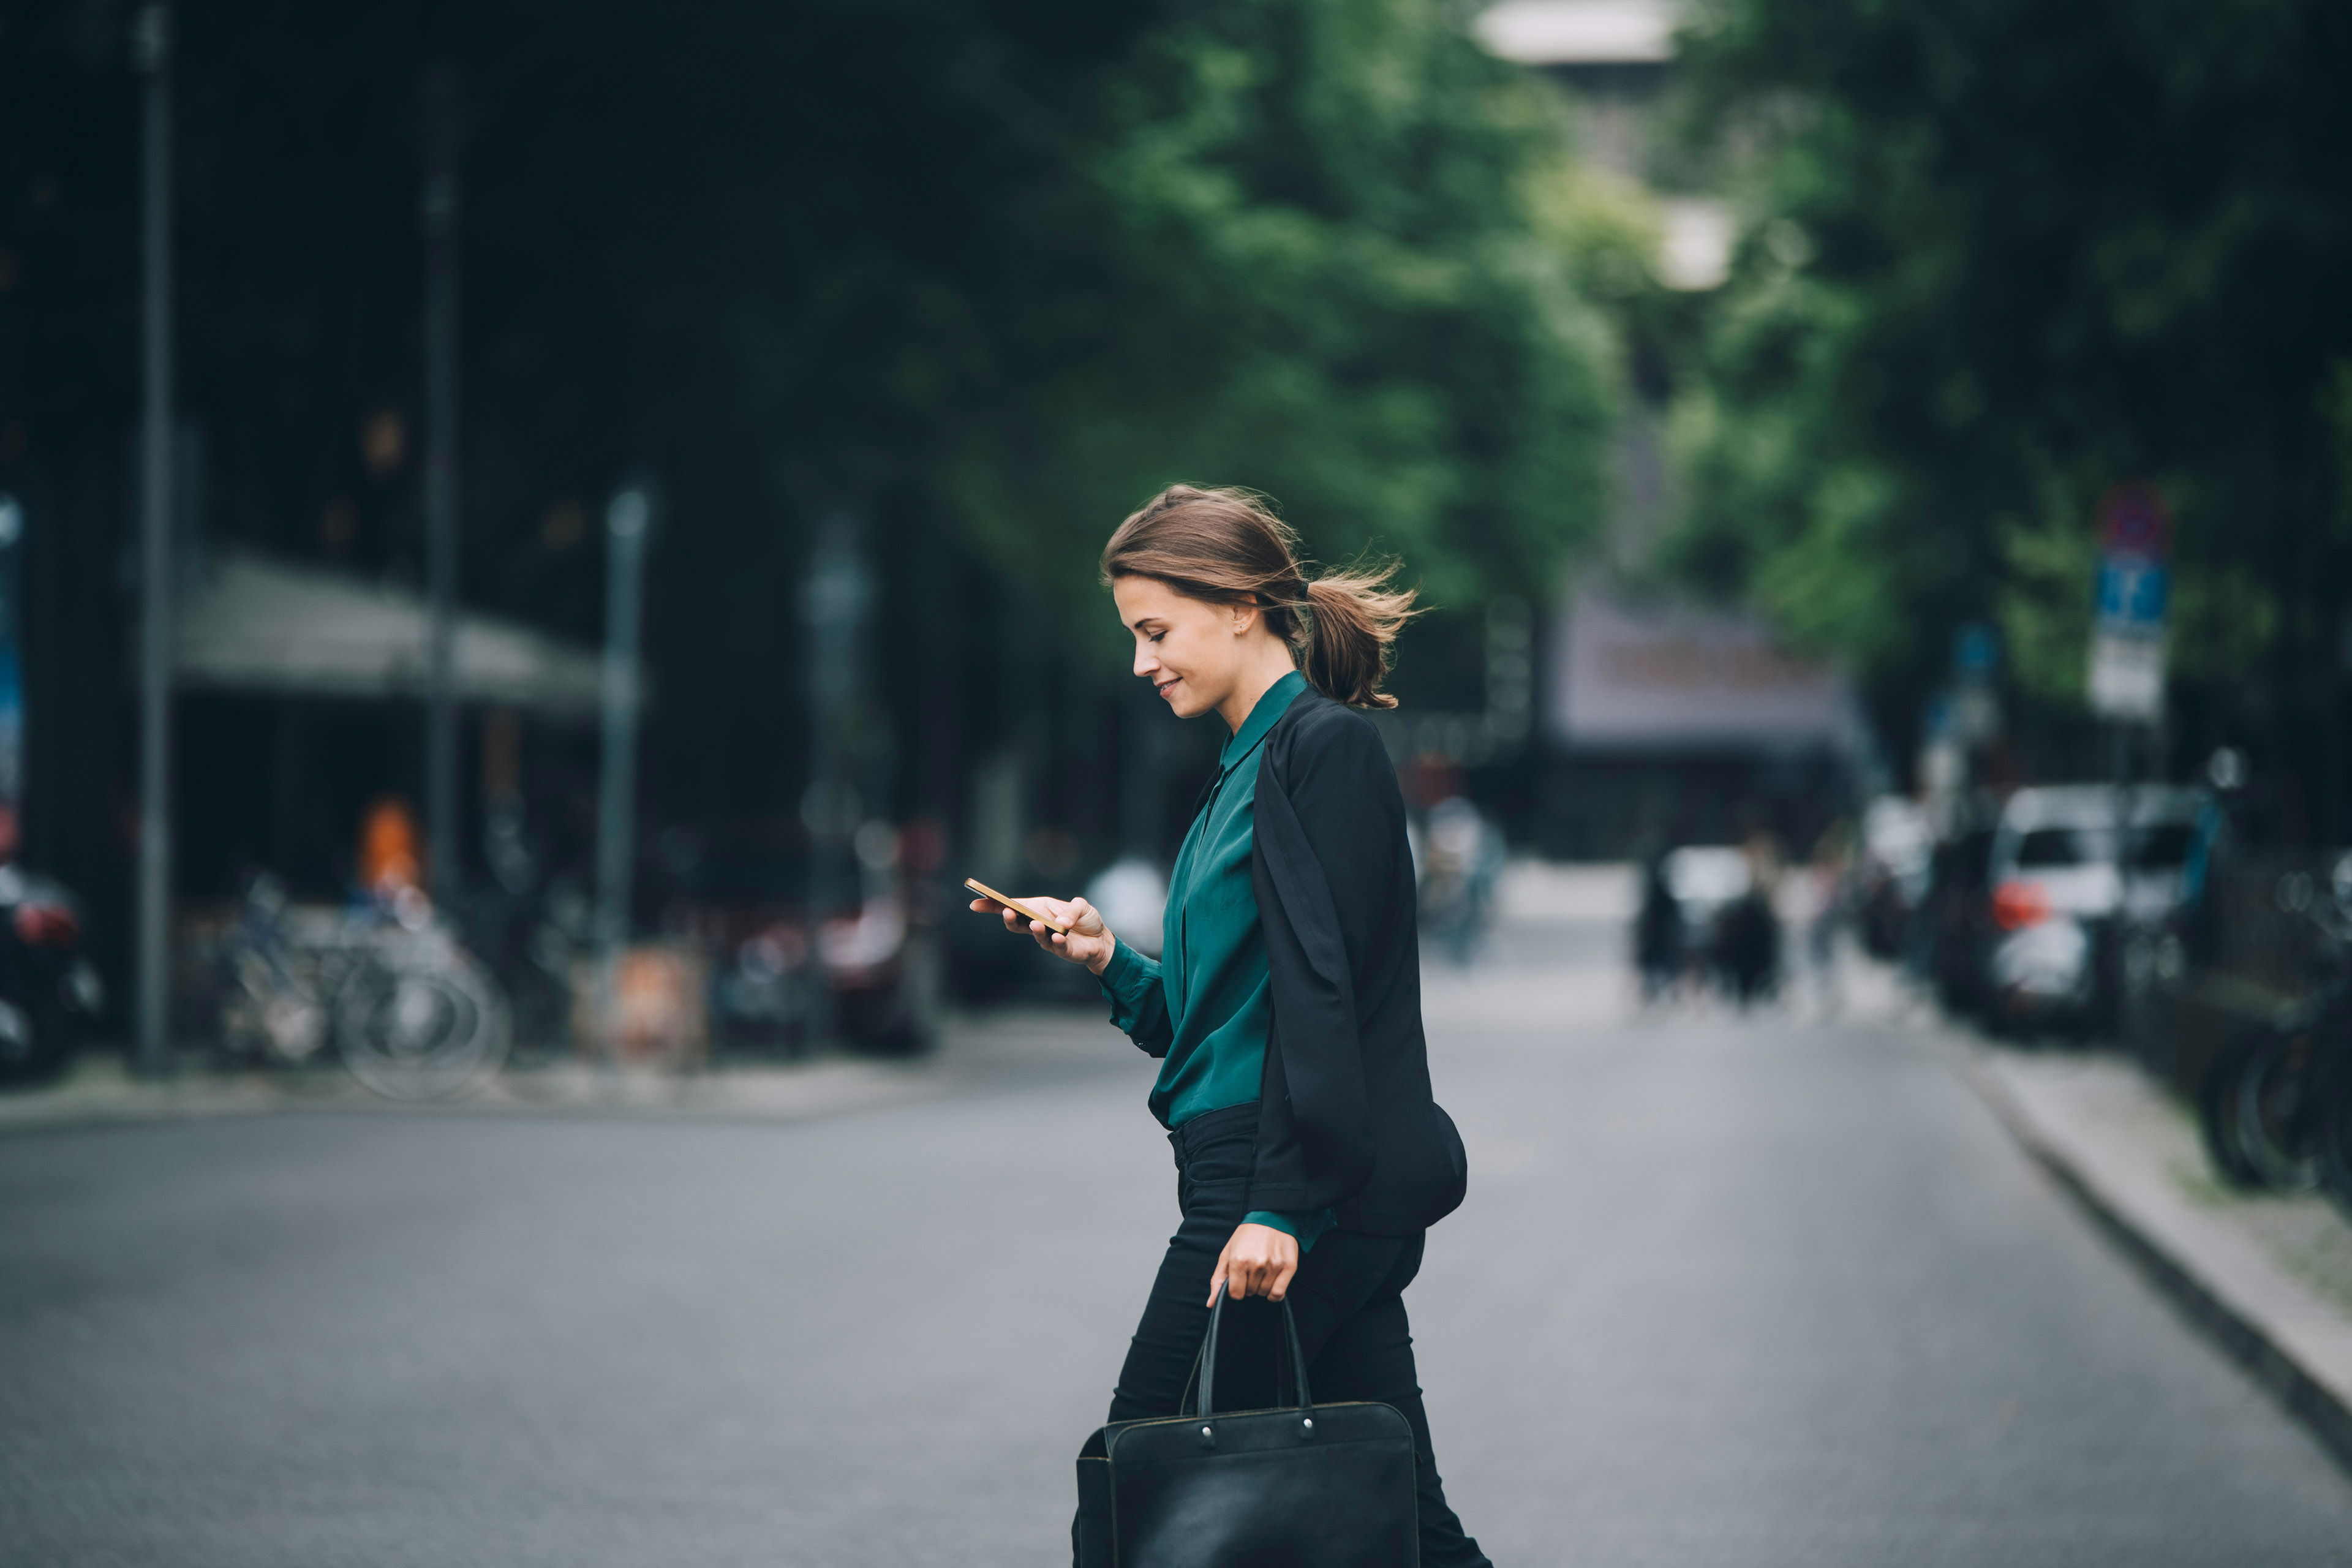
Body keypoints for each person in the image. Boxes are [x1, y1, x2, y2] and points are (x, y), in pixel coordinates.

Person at [972, 484, 1490, 1568]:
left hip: (1283, 1185)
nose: (1139, 662)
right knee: (1408, 1530)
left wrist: (1282, 1209)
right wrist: (1112, 961)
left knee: (1141, 1486)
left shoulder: (1322, 752)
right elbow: (1214, 1028)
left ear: (1241, 605)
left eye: (1154, 631)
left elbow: (1331, 1005)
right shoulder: (1237, 776)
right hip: (1258, 1173)